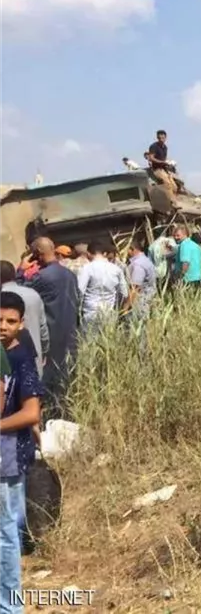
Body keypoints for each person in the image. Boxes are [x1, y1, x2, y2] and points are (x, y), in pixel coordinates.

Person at [0, 291, 45, 606]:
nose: (3, 326)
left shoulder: (20, 359)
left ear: (21, 324)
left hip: (9, 457)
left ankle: (10, 605)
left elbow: (31, 413)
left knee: (7, 534)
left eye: (10, 321)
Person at [17, 237, 78, 418]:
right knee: (67, 373)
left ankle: (52, 414)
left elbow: (17, 290)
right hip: (71, 330)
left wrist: (21, 269)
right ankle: (68, 411)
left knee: (50, 377)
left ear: (37, 254)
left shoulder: (41, 277)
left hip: (52, 332)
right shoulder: (70, 274)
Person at [0, 261, 48, 379]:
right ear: (14, 275)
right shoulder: (33, 294)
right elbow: (43, 329)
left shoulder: (2, 297)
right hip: (34, 359)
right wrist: (44, 352)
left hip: (7, 366)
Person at [77, 240, 129, 335]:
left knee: (90, 343)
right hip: (109, 312)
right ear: (104, 253)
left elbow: (80, 291)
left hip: (91, 313)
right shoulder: (116, 269)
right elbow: (124, 293)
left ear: (88, 253)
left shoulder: (87, 268)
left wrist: (78, 310)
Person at [146, 129, 177, 199]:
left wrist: (169, 163)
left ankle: (174, 200)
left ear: (165, 138)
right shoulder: (154, 146)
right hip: (157, 169)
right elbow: (151, 158)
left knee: (174, 186)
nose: (161, 140)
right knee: (167, 184)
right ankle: (172, 203)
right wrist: (162, 162)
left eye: (163, 138)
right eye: (159, 138)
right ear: (157, 138)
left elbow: (164, 159)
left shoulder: (165, 147)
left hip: (164, 169)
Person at [172, 224, 201, 289]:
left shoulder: (184, 245)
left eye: (178, 235)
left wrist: (180, 278)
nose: (176, 238)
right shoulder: (194, 244)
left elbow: (186, 262)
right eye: (174, 236)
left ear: (185, 235)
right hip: (199, 278)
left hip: (188, 280)